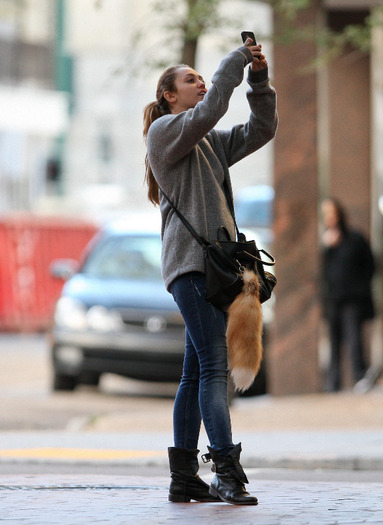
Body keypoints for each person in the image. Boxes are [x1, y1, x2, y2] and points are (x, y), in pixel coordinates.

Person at [143, 37, 278, 505]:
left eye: (202, 77)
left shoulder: (209, 142)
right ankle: (226, 470)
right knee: (215, 368)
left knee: (196, 371)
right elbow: (213, 109)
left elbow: (261, 128)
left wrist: (258, 79)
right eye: (190, 79)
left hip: (216, 269)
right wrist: (236, 61)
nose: (200, 83)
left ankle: (184, 476)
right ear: (169, 96)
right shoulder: (164, 133)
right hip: (190, 268)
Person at [320, 197, 376, 393]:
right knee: (334, 342)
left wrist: (360, 288)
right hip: (334, 298)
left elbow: (370, 265)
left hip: (353, 298)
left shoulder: (355, 239)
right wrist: (326, 248)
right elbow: (321, 273)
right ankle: (333, 382)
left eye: (332, 214)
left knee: (353, 338)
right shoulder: (326, 243)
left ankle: (359, 376)